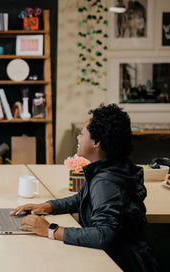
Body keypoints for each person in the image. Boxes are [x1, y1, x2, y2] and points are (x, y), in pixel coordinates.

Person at [12, 103, 158, 272]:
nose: (78, 138)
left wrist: (50, 229)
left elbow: (104, 235)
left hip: (121, 265)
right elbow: (83, 198)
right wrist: (47, 206)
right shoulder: (111, 167)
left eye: (82, 134)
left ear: (97, 142)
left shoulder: (106, 181)